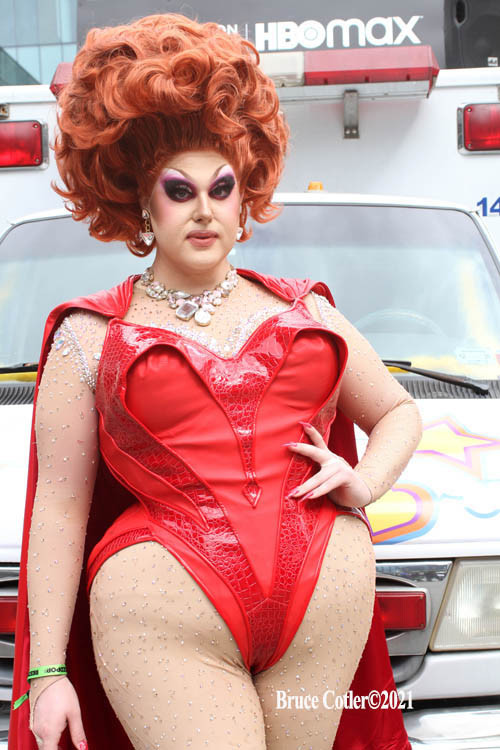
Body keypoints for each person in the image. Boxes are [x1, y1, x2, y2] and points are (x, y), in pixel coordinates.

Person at [9, 13, 422, 750]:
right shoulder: (87, 336)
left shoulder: (308, 310)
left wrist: (364, 483)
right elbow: (60, 511)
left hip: (323, 607)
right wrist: (46, 673)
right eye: (179, 190)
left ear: (245, 194)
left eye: (221, 187)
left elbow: (397, 412)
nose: (204, 209)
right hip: (164, 619)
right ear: (141, 199)